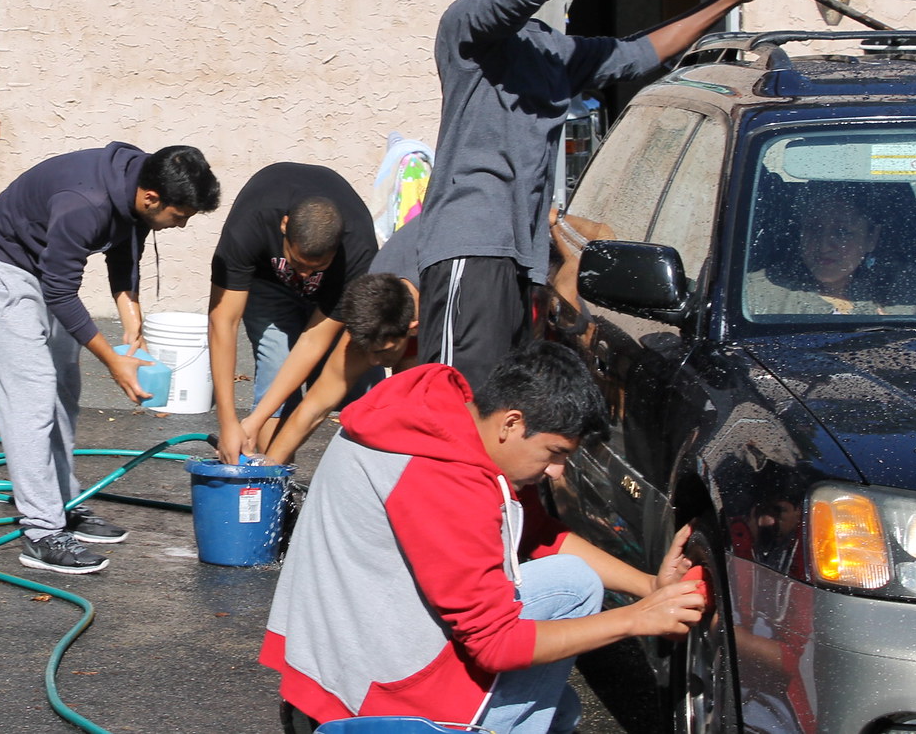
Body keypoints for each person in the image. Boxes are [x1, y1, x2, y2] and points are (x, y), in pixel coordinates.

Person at [417, 0, 791, 388]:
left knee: (502, 415)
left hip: (521, 259)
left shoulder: (549, 49)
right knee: (451, 409)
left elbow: (642, 53)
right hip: (470, 249)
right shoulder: (466, 25)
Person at [262, 341, 705, 732]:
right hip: (371, 693)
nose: (556, 472)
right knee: (574, 593)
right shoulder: (443, 477)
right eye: (555, 453)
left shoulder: (438, 420)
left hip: (334, 658)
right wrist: (637, 619)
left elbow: (539, 534)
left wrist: (650, 588)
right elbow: (495, 645)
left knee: (561, 708)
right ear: (512, 422)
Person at [0, 143, 221, 574]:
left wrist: (132, 323)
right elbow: (61, 290)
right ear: (152, 197)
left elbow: (124, 247)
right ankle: (41, 531)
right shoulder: (86, 203)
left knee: (64, 389)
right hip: (2, 272)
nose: (181, 224)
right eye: (181, 215)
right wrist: (112, 361)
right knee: (32, 398)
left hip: (42, 270)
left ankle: (61, 504)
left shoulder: (138, 179)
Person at [208, 162, 378, 462]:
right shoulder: (251, 222)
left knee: (363, 392)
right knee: (276, 368)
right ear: (284, 225)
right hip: (268, 286)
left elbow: (314, 341)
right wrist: (230, 422)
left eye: (316, 268)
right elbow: (224, 321)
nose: (303, 276)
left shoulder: (359, 250)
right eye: (297, 263)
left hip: (335, 292)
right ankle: (274, 487)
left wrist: (254, 420)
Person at [263, 217, 422, 464]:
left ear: (413, 328)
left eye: (382, 352)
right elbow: (315, 406)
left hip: (472, 271)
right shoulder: (374, 306)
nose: (373, 361)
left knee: (416, 399)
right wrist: (268, 469)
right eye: (368, 351)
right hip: (413, 281)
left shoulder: (445, 305)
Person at [745, 182, 908, 316]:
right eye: (814, 229)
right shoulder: (755, 295)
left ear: (871, 238)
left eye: (842, 232)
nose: (823, 246)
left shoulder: (905, 295)